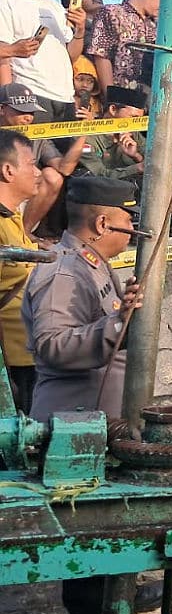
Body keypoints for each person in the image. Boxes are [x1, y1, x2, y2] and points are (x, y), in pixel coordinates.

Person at [22, 176, 145, 614]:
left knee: (103, 523)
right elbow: (53, 345)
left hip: (96, 423)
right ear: (101, 222)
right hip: (71, 422)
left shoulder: (92, 265)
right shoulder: (64, 270)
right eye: (126, 228)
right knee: (85, 528)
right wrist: (117, 322)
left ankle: (111, 598)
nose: (126, 237)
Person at [0, 84, 89, 237]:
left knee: (52, 176)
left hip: (19, 199)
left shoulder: (37, 134)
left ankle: (24, 234)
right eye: (21, 111)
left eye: (31, 112)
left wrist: (85, 131)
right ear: (2, 109)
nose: (28, 117)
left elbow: (64, 168)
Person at [0, 0, 89, 123]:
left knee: (68, 147)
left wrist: (80, 30)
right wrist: (9, 102)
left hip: (65, 96)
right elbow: (4, 60)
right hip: (31, 94)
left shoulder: (56, 8)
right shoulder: (7, 1)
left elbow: (70, 57)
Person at [0, 130, 41, 413]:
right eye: (31, 164)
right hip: (10, 366)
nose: (38, 172)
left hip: (29, 355)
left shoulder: (12, 218)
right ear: (8, 170)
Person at [86, 0, 160, 95]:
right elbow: (101, 55)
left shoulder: (157, 25)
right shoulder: (112, 12)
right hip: (122, 97)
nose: (163, 4)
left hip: (151, 100)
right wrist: (113, 98)